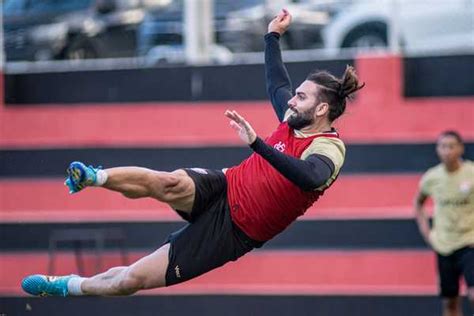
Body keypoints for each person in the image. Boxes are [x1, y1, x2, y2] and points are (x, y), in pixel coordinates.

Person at [22, 9, 364, 297]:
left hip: (232, 233)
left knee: (131, 280)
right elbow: (277, 84)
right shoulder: (292, 118)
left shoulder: (328, 148)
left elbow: (309, 176)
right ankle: (94, 176)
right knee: (170, 182)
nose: (291, 100)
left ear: (321, 111)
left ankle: (68, 285)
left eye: (301, 97)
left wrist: (256, 144)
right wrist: (272, 36)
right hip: (225, 186)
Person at [414, 130, 474, 316]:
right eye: (442, 146)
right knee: (450, 301)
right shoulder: (432, 177)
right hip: (444, 245)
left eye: (451, 146)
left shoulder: (471, 173)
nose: (447, 151)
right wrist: (428, 234)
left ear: (461, 148)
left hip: (469, 242)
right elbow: (418, 204)